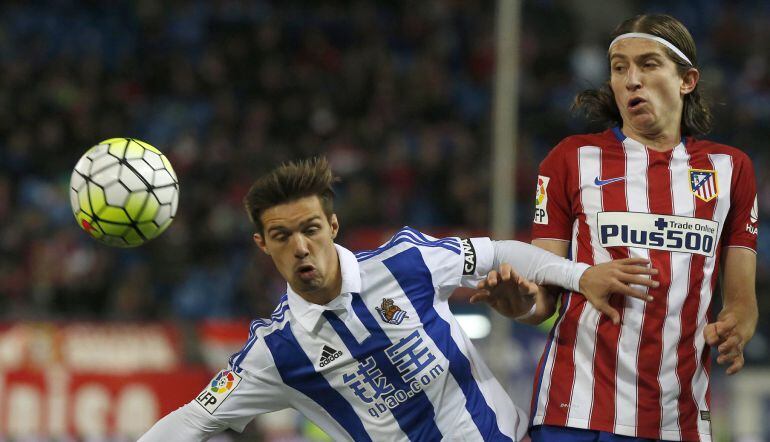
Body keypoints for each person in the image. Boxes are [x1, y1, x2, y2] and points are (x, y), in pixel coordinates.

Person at [139, 157, 657, 441]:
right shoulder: (275, 352)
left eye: (310, 229)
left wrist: (581, 275)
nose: (300, 247)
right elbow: (194, 418)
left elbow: (499, 250)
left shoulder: (406, 262)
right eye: (281, 236)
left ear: (333, 225)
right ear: (262, 245)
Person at [524, 13, 758, 442]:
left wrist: (734, 330)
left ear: (687, 80)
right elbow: (541, 294)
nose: (631, 79)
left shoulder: (730, 169)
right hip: (574, 411)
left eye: (648, 64)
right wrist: (516, 301)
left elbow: (742, 304)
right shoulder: (569, 159)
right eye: (619, 68)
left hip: (676, 418)